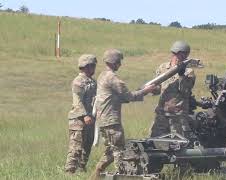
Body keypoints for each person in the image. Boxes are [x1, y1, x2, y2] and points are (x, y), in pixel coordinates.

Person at [93, 49, 155, 177]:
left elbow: (118, 97)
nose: (120, 64)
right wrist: (146, 91)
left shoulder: (102, 75)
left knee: (111, 150)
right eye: (119, 62)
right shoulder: (112, 77)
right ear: (114, 62)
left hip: (103, 120)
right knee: (119, 150)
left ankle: (96, 175)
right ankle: (121, 175)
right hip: (111, 120)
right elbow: (128, 96)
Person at [149, 41, 196, 139]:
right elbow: (158, 89)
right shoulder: (163, 68)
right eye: (181, 54)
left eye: (185, 54)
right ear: (175, 53)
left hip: (177, 115)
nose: (184, 56)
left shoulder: (189, 72)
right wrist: (151, 89)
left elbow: (185, 91)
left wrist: (181, 75)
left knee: (178, 143)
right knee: (155, 141)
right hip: (161, 113)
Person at [65, 54, 97, 174]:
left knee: (87, 145)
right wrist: (85, 115)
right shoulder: (78, 82)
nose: (94, 68)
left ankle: (81, 169)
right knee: (76, 147)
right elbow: (77, 101)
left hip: (90, 119)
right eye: (92, 66)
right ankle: (69, 172)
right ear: (86, 67)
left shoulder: (92, 82)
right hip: (78, 120)